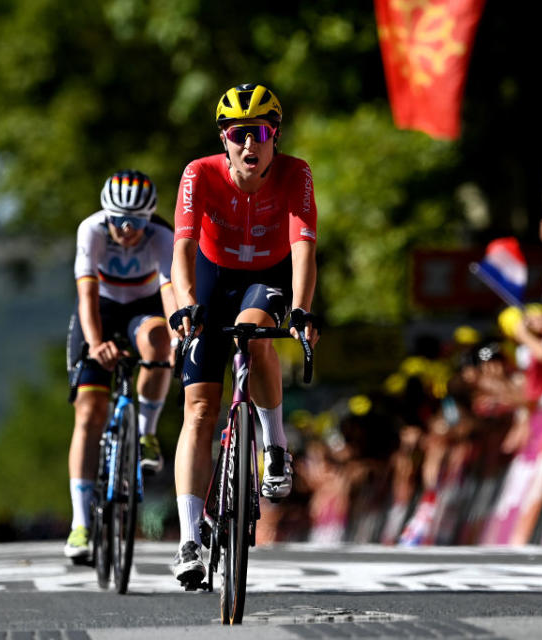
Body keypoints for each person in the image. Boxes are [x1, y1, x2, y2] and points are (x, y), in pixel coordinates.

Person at [168, 83, 320, 585]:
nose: (250, 145)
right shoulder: (199, 173)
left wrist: (301, 310)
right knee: (199, 411)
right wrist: (188, 303)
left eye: (262, 133)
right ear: (224, 139)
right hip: (212, 281)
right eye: (239, 134)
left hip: (267, 279)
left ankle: (274, 446)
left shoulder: (296, 173)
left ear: (276, 136)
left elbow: (303, 248)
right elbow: (183, 249)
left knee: (256, 337)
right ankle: (190, 539)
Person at [63, 169, 177, 560]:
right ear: (106, 215)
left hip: (142, 310)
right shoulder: (91, 230)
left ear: (149, 219)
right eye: (120, 221)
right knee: (89, 412)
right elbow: (87, 293)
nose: (128, 230)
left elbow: (168, 289)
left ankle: (145, 433)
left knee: (160, 340)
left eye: (138, 222)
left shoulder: (162, 236)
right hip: (102, 311)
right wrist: (96, 344)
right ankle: (80, 525)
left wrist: (177, 333)